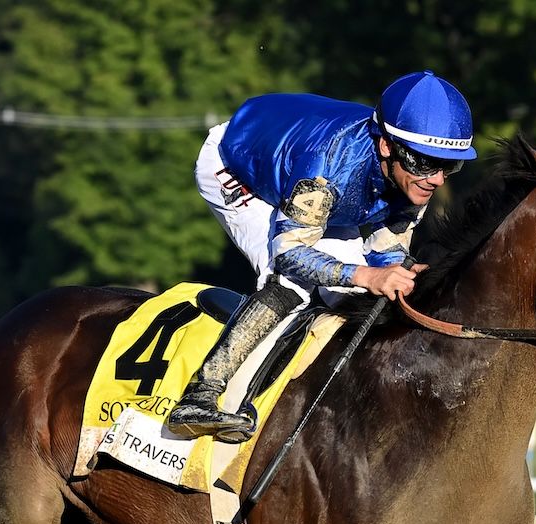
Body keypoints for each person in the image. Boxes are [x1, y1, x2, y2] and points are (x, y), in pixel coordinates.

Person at [167, 70, 478, 442]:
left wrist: (398, 271)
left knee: (359, 288)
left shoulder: (410, 176)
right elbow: (289, 253)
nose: (437, 179)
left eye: (449, 166)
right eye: (425, 163)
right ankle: (200, 396)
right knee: (290, 284)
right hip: (237, 165)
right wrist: (365, 275)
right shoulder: (328, 167)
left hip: (314, 187)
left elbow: (384, 248)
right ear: (386, 147)